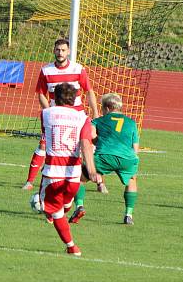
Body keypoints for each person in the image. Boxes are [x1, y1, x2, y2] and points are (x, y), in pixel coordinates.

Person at [22, 39, 102, 192]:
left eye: (63, 50)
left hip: (77, 116)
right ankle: (30, 181)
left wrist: (96, 114)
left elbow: (89, 91)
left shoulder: (78, 69)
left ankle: (100, 182)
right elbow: (41, 94)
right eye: (58, 50)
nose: (60, 53)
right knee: (43, 145)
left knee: (89, 145)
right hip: (55, 118)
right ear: (54, 50)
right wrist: (49, 111)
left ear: (68, 52)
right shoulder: (46, 70)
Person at [35, 83, 97, 257]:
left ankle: (72, 247)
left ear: (55, 97)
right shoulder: (83, 118)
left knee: (55, 212)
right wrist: (91, 170)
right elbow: (86, 143)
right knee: (65, 203)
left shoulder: (45, 114)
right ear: (75, 98)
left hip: (53, 173)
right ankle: (67, 204)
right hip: (73, 176)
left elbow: (46, 134)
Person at [68, 93, 140, 226]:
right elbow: (135, 148)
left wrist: (101, 141)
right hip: (127, 158)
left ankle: (79, 206)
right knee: (131, 181)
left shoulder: (98, 121)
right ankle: (128, 215)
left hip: (104, 156)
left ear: (107, 108)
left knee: (80, 178)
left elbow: (91, 137)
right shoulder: (131, 123)